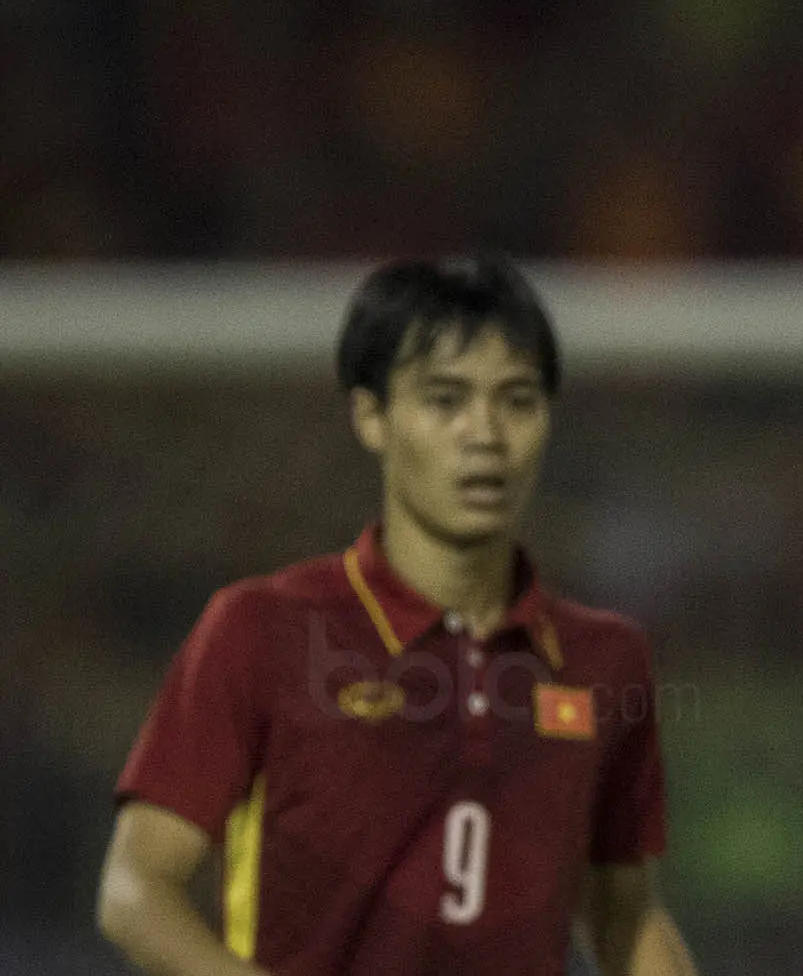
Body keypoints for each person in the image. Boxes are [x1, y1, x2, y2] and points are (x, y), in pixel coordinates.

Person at [96, 255, 695, 976]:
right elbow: (135, 889)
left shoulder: (605, 658)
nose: (486, 434)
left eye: (518, 400)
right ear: (371, 416)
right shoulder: (262, 629)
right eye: (446, 400)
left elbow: (623, 913)